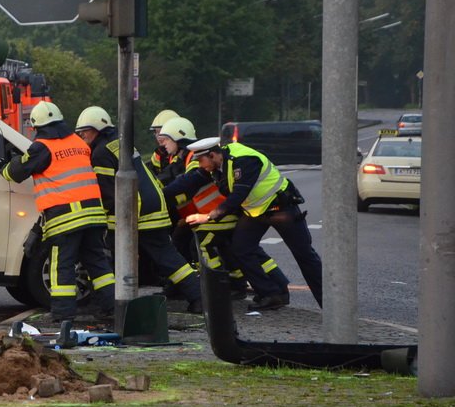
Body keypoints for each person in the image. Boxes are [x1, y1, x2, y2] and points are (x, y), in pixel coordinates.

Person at [74, 106, 203, 314]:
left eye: (84, 131)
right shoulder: (121, 142)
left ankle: (111, 306)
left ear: (97, 128)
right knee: (167, 257)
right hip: (152, 203)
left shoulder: (100, 153)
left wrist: (101, 218)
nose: (82, 136)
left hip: (133, 210)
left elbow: (107, 191)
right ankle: (198, 297)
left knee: (113, 259)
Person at [0, 101, 115, 322]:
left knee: (62, 265)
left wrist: (3, 168)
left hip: (66, 218)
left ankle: (63, 314)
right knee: (98, 263)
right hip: (94, 215)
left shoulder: (42, 147)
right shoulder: (79, 143)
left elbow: (17, 172)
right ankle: (113, 307)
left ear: (36, 127)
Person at [183, 137, 323, 311]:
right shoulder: (217, 167)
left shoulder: (243, 161)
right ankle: (271, 294)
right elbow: (192, 181)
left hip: (281, 209)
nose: (200, 166)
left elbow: (238, 195)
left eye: (201, 161)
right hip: (256, 212)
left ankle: (330, 305)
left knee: (305, 256)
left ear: (212, 155)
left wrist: (209, 217)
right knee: (241, 248)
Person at [158, 117, 289, 302]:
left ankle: (217, 289)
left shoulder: (193, 158)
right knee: (243, 249)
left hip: (221, 214)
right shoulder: (188, 158)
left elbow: (188, 182)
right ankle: (273, 286)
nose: (161, 144)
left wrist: (160, 193)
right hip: (227, 212)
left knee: (206, 243)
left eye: (165, 139)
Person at [147, 109, 179, 176]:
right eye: (156, 132)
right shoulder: (158, 154)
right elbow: (149, 174)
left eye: (161, 132)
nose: (158, 137)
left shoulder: (184, 153)